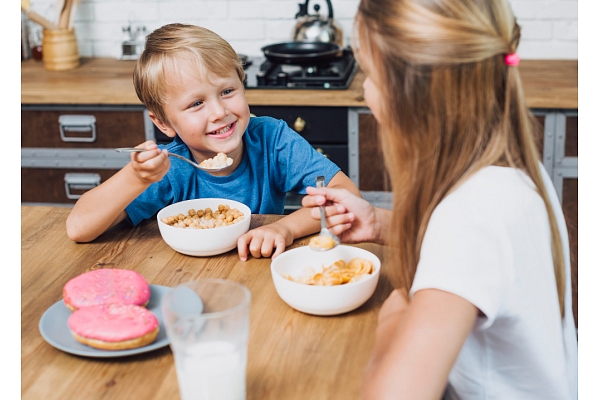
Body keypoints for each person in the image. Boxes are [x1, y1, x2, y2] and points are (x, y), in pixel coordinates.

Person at [302, 0, 578, 398]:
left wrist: (395, 316)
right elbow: (481, 257)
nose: (364, 91)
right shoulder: (510, 173)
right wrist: (381, 222)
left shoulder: (472, 218)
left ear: (413, 97)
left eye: (371, 74)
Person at [65, 23, 360, 261]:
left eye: (227, 90)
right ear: (164, 123)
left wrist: (285, 228)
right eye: (196, 104)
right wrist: (135, 177)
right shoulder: (170, 168)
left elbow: (347, 196)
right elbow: (79, 228)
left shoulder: (272, 139)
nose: (220, 112)